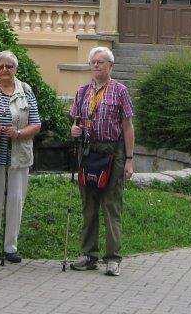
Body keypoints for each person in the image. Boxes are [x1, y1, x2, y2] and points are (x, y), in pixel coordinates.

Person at [68, 46, 135, 278]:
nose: (97, 66)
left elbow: (127, 126)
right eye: (94, 62)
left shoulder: (120, 91)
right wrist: (74, 129)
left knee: (111, 205)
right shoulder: (82, 91)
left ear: (110, 66)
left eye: (101, 62)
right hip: (87, 152)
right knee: (88, 206)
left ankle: (113, 258)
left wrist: (129, 159)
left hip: (112, 153)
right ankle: (88, 255)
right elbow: (75, 121)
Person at [0, 50, 42, 263]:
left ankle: (10, 247)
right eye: (0, 67)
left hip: (19, 155)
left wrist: (17, 133)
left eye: (9, 66)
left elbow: (36, 123)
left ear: (16, 69)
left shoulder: (25, 90)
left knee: (16, 200)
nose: (5, 70)